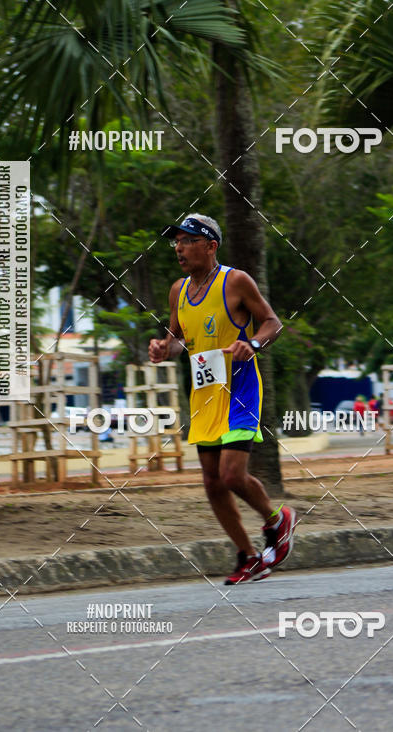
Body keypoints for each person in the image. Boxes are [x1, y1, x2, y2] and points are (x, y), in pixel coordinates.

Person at [148, 213, 295, 584]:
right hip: (204, 392)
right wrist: (164, 348)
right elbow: (178, 339)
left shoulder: (236, 281)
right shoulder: (178, 290)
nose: (179, 248)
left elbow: (272, 322)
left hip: (241, 389)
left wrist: (253, 343)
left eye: (187, 240)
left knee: (231, 475)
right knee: (212, 482)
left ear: (210, 246)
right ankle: (248, 555)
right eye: (176, 241)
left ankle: (278, 521)